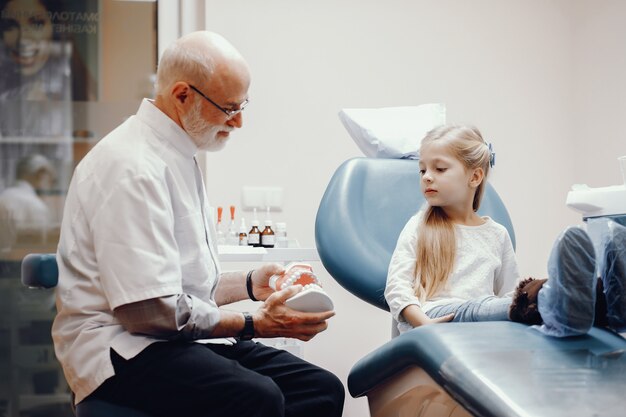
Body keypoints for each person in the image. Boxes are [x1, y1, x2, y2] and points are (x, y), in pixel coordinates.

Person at [51, 31, 344, 417]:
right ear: (182, 95)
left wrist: (249, 283)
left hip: (166, 339)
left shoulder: (177, 153)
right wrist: (257, 324)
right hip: (121, 350)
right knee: (258, 397)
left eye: (243, 105)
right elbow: (150, 311)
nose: (238, 121)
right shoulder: (132, 168)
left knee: (319, 389)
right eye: (228, 108)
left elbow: (179, 284)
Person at [384, 124, 626, 337]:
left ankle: (606, 300)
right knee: (482, 306)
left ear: (475, 176)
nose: (426, 177)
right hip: (437, 316)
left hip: (485, 318)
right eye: (422, 170)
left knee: (507, 304)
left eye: (439, 169)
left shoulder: (496, 234)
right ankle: (559, 296)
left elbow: (510, 294)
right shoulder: (420, 226)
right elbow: (397, 286)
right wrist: (422, 323)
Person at [0, 153, 55, 250]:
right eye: (50, 178)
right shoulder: (36, 205)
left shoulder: (4, 196)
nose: (50, 182)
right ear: (39, 174)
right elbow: (42, 244)